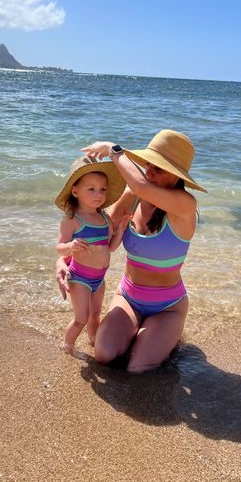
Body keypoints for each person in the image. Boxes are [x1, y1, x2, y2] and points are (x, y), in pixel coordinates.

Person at [56, 130, 207, 372]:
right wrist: (63, 261)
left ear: (176, 176)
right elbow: (96, 233)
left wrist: (113, 150)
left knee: (138, 368)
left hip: (168, 306)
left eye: (159, 168)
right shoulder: (133, 196)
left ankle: (165, 334)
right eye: (148, 165)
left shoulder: (185, 205)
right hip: (129, 296)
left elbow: (140, 185)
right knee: (104, 354)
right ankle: (142, 333)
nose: (149, 172)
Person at [55, 156, 127, 356]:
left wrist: (120, 229)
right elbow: (60, 248)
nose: (99, 194)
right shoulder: (73, 220)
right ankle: (67, 346)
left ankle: (94, 341)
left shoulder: (104, 218)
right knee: (81, 318)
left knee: (95, 315)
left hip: (99, 279)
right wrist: (71, 245)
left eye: (103, 189)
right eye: (91, 189)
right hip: (79, 278)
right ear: (75, 191)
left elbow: (110, 247)